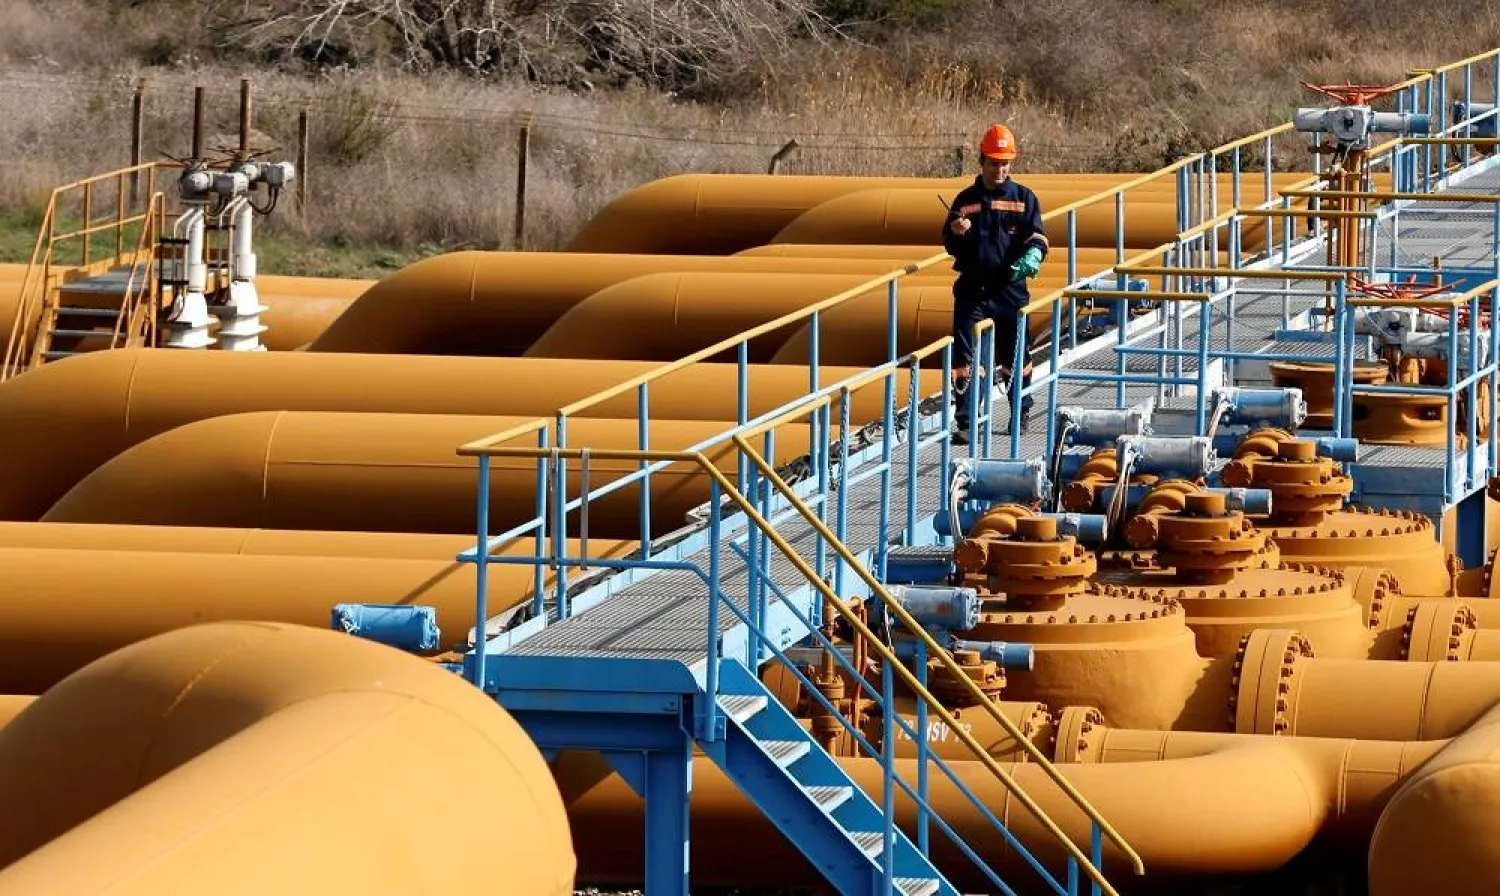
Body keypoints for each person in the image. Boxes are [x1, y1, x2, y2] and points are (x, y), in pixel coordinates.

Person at [942, 123, 1048, 442]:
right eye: (994, 163)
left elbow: (1038, 237)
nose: (1000, 169)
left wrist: (1032, 256)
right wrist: (956, 233)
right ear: (981, 161)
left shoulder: (1024, 199)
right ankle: (966, 421)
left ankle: (1021, 410)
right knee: (964, 355)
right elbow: (949, 243)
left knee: (1015, 354)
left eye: (1005, 163)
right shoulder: (966, 200)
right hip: (973, 289)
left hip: (1010, 289)